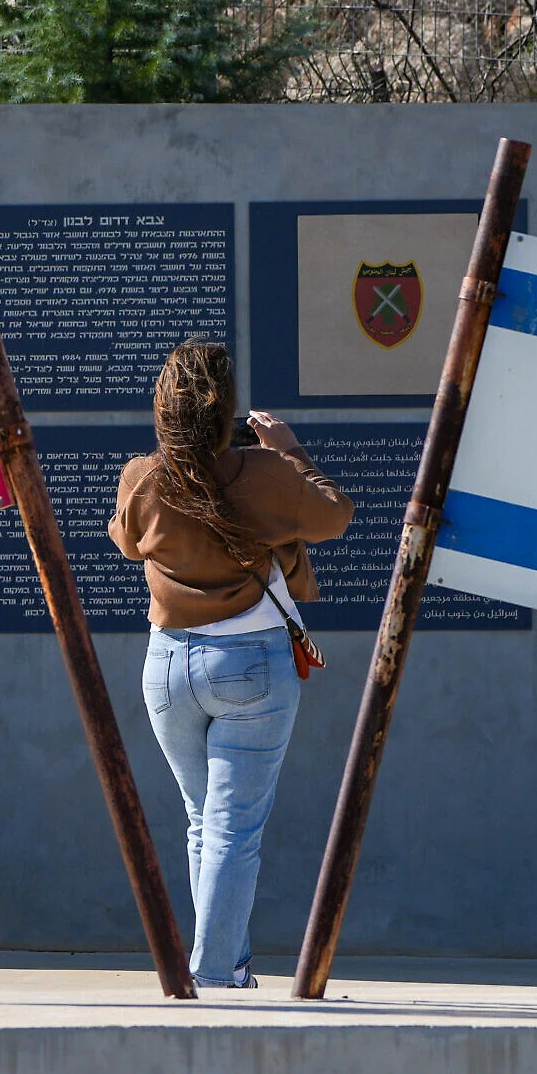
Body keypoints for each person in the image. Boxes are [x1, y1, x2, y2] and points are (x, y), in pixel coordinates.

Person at [107, 340, 353, 988]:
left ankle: (229, 966)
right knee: (231, 830)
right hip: (250, 667)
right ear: (226, 411)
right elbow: (335, 515)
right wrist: (288, 451)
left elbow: (126, 541)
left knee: (204, 822)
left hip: (166, 667)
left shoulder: (143, 476)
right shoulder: (265, 472)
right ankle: (214, 974)